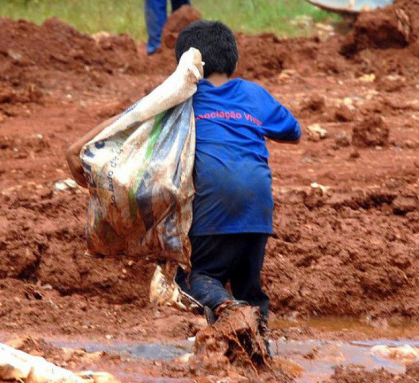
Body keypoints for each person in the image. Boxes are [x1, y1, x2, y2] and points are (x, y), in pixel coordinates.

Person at [65, 20, 300, 354]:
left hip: (211, 207)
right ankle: (257, 354)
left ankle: (230, 312)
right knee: (250, 288)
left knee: (195, 280)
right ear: (231, 60)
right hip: (258, 211)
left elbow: (132, 118)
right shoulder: (253, 94)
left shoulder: (183, 98)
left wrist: (78, 148)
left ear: (185, 66)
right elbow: (292, 130)